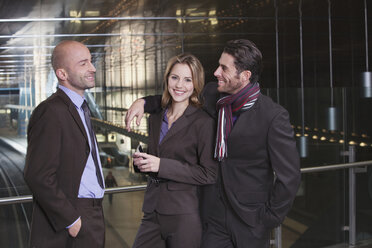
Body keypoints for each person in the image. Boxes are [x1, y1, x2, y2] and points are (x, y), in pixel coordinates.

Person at [125, 39, 301, 248]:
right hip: (213, 215)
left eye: (224, 68)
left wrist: (269, 218)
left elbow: (289, 177)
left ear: (244, 76)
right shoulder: (211, 94)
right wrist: (143, 102)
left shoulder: (273, 117)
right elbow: (178, 96)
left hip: (250, 220)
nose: (216, 72)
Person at [24, 40, 105, 248]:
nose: (92, 68)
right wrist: (71, 220)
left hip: (92, 213)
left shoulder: (80, 109)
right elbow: (38, 175)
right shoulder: (51, 112)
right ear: (62, 74)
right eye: (83, 63)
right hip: (72, 216)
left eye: (91, 61)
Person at [131, 53, 218, 248]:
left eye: (188, 80)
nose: (180, 85)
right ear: (167, 79)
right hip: (152, 211)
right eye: (175, 77)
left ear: (196, 84)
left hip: (184, 215)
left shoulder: (203, 122)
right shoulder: (155, 117)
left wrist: (161, 165)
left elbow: (209, 174)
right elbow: (158, 157)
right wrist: (141, 163)